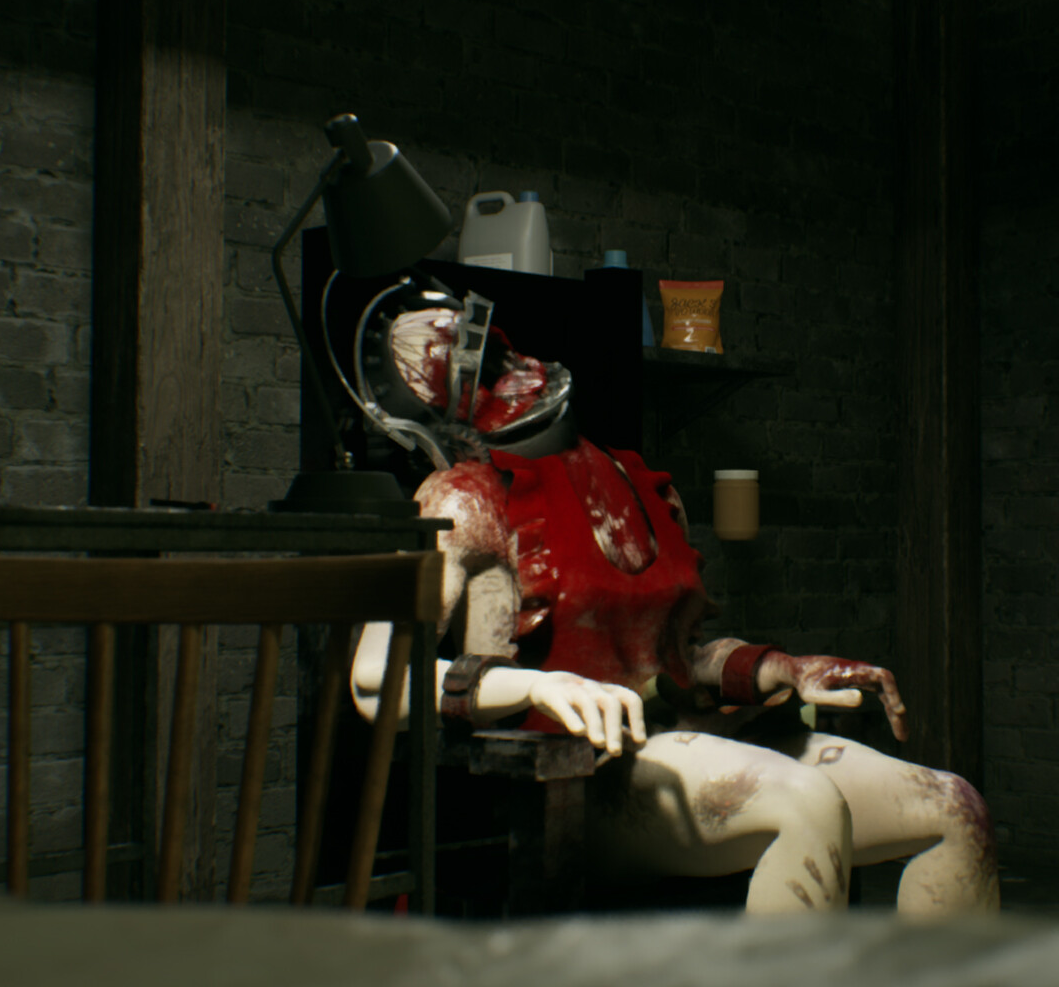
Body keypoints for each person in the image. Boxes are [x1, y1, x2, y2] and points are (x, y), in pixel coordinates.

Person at [342, 275, 996, 914]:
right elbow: (375, 680)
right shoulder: (463, 500)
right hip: (576, 778)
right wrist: (537, 686)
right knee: (807, 804)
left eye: (500, 348)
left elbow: (677, 657)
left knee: (954, 806)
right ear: (438, 410)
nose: (514, 369)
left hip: (688, 736)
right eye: (474, 368)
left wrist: (783, 669)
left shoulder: (633, 478)